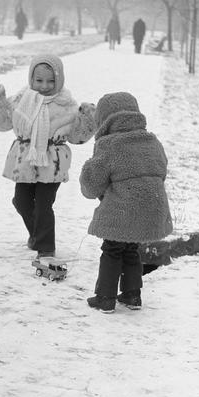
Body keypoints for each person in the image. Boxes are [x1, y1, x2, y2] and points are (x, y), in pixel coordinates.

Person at [0, 54, 96, 258]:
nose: (44, 86)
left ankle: (45, 248)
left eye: (51, 81)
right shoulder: (21, 100)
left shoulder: (66, 104)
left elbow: (76, 136)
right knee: (22, 201)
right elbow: (3, 123)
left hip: (52, 162)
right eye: (39, 80)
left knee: (43, 204)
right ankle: (36, 235)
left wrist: (88, 120)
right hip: (25, 160)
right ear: (31, 79)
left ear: (59, 80)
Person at [80, 93, 172, 313]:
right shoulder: (152, 141)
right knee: (131, 249)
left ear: (103, 120)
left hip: (122, 210)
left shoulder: (109, 145)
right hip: (151, 207)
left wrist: (87, 173)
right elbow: (162, 170)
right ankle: (132, 295)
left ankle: (105, 297)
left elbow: (92, 184)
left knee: (111, 250)